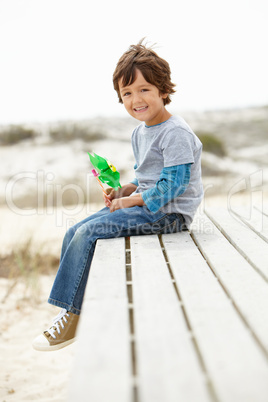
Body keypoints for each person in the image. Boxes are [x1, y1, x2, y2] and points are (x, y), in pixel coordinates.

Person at [32, 40, 203, 351]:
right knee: (74, 231)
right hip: (151, 208)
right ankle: (68, 308)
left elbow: (174, 184)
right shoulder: (141, 131)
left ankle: (74, 316)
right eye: (127, 93)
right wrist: (125, 190)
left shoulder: (175, 132)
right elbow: (147, 178)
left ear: (163, 90)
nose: (136, 99)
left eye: (144, 90)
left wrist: (134, 200)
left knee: (88, 232)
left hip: (170, 215)